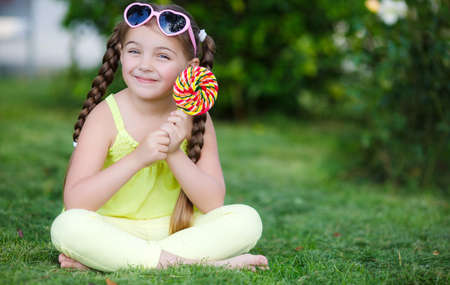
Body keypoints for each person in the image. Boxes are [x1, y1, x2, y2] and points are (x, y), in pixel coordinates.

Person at [50, 2, 269, 272]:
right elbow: (76, 202)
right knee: (68, 227)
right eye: (134, 51)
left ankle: (121, 260)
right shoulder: (105, 117)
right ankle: (205, 265)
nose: (145, 65)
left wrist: (175, 153)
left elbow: (212, 202)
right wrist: (138, 158)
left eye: (162, 56)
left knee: (247, 220)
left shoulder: (195, 116)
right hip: (112, 226)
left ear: (190, 67)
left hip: (176, 230)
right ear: (120, 54)